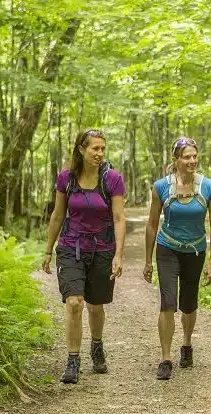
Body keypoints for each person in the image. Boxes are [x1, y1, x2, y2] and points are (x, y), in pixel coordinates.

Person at [42, 129, 126, 384]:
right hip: (71, 247)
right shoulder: (66, 179)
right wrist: (48, 250)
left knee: (95, 305)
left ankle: (97, 345)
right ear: (81, 149)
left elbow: (119, 218)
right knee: (74, 302)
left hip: (102, 249)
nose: (100, 154)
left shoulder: (112, 179)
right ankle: (72, 360)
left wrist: (118, 254)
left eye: (102, 149)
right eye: (95, 149)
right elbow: (57, 215)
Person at [143, 136, 211, 380]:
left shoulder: (209, 187)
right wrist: (147, 260)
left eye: (195, 156)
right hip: (167, 249)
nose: (192, 161)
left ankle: (186, 344)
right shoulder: (161, 187)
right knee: (168, 301)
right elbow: (152, 224)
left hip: (195, 251)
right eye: (187, 157)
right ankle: (165, 358)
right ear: (176, 159)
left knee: (189, 303)